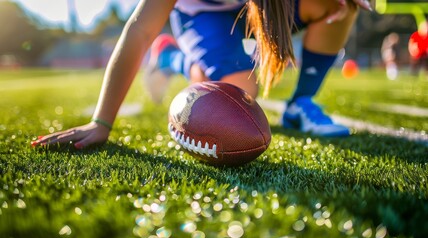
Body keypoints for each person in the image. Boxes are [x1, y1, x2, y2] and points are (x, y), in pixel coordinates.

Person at [32, 0, 372, 149]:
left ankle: (303, 102)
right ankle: (170, 57)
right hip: (204, 14)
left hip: (262, 5)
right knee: (236, 97)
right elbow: (138, 30)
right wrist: (101, 121)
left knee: (343, 1)